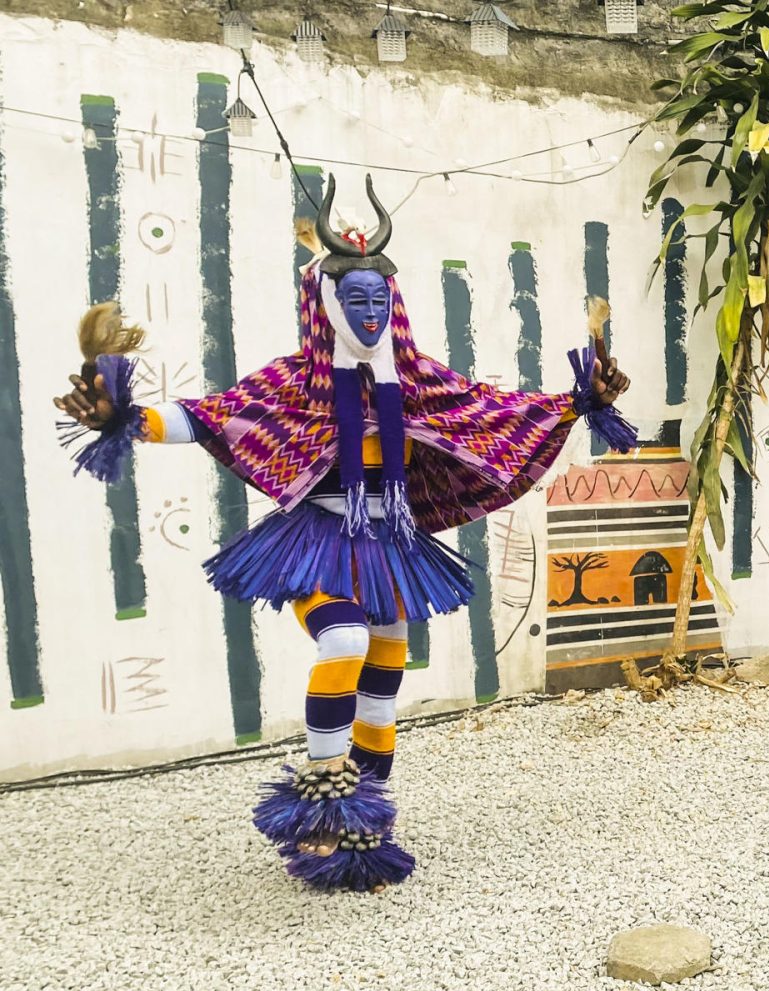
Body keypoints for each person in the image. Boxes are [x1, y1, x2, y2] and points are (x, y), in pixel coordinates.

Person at [54, 174, 635, 893]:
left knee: (385, 683)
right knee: (344, 640)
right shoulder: (297, 384)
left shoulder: (417, 382)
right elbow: (211, 415)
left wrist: (580, 401)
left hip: (389, 546)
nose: (368, 312)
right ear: (326, 304)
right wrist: (125, 418)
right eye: (353, 298)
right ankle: (323, 795)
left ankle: (368, 826)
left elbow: (496, 412)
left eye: (378, 299)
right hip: (318, 541)